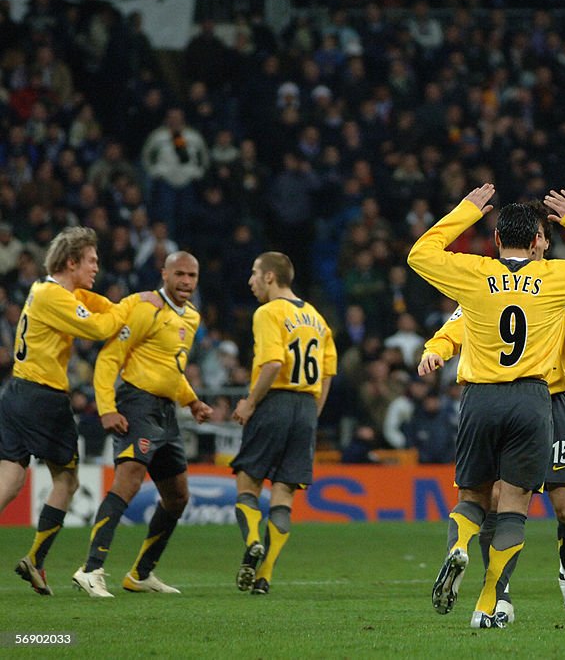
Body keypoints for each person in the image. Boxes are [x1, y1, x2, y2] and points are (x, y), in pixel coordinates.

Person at [407, 184, 565, 629]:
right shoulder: (559, 277)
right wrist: (438, 345)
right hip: (531, 396)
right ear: (537, 241)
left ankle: (564, 575)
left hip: (532, 398)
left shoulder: (481, 276)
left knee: (561, 508)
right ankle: (498, 597)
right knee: (509, 501)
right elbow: (459, 323)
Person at [0, 227, 160, 595]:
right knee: (67, 481)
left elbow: (96, 301)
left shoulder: (45, 289)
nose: (96, 266)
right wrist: (133, 307)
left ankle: (37, 562)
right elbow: (102, 326)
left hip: (16, 393)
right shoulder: (55, 297)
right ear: (71, 262)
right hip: (44, 398)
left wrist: (128, 301)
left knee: (10, 479)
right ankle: (36, 560)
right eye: (91, 260)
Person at [71, 252, 213, 597]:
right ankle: (90, 569)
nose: (186, 282)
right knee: (129, 480)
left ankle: (140, 574)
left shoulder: (191, 317)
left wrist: (191, 400)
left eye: (192, 276)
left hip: (166, 412)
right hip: (136, 403)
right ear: (163, 273)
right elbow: (110, 358)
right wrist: (106, 407)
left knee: (177, 497)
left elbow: (170, 370)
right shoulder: (144, 307)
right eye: (179, 273)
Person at [230, 252, 337, 595]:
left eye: (254, 273)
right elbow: (328, 374)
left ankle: (251, 541)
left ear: (270, 278)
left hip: (274, 401)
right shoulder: (317, 318)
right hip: (306, 407)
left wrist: (249, 403)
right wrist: (311, 414)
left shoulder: (268, 312)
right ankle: (266, 575)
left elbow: (273, 363)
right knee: (284, 494)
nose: (251, 281)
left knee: (248, 482)